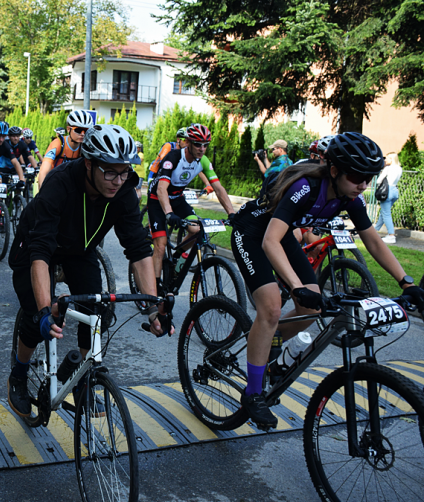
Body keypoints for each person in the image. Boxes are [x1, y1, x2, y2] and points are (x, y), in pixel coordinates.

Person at [230, 132, 424, 429]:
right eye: (357, 176)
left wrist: (406, 282)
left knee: (312, 307)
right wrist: (296, 287)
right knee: (270, 308)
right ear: (334, 170)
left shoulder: (350, 197)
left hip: (281, 238)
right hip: (254, 233)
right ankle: (253, 393)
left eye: (369, 178)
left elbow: (373, 242)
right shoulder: (305, 187)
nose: (364, 185)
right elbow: (270, 240)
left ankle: (273, 339)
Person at [5, 124, 172, 418]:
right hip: (35, 246)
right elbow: (41, 253)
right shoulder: (60, 183)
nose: (118, 181)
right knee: (36, 317)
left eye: (124, 172)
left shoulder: (124, 190)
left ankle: (83, 380)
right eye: (109, 172)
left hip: (78, 250)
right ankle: (18, 374)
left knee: (96, 309)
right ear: (88, 163)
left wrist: (153, 308)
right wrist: (45, 310)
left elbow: (138, 249)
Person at [147, 123, 235, 283]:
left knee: (196, 229)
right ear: (187, 142)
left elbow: (219, 188)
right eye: (197, 144)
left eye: (205, 145)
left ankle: (176, 256)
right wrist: (169, 214)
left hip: (177, 198)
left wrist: (232, 213)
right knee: (160, 245)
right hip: (157, 199)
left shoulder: (203, 161)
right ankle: (155, 291)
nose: (202, 149)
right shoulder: (173, 157)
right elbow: (161, 189)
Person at [38, 110, 93, 186]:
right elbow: (44, 169)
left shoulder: (85, 147)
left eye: (86, 130)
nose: (82, 134)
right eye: (78, 130)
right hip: (54, 181)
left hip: (71, 183)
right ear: (68, 129)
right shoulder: (58, 143)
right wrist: (42, 192)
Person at [374, 152, 403, 244]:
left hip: (387, 191)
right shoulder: (399, 169)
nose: (385, 160)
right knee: (384, 212)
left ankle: (391, 235)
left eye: (387, 158)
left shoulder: (388, 168)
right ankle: (374, 230)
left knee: (386, 214)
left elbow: (379, 181)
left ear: (391, 159)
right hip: (395, 191)